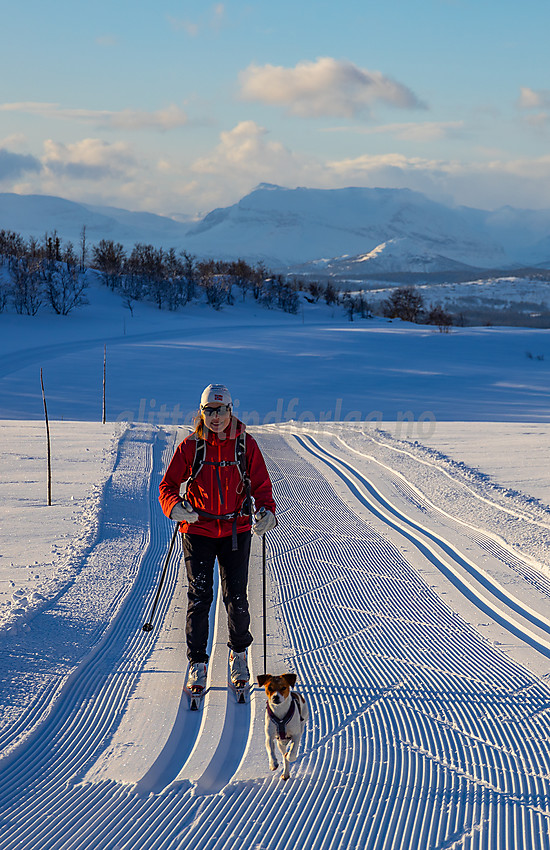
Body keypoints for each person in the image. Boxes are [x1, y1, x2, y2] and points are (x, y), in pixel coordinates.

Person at [159, 383, 277, 693]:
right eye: (209, 410)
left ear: (230, 411)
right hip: (197, 530)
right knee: (200, 599)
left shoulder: (245, 445)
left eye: (221, 410)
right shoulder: (191, 446)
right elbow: (168, 486)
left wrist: (265, 512)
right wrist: (175, 508)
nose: (215, 417)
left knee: (236, 598)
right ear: (201, 412)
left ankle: (239, 656)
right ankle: (197, 663)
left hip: (235, 531)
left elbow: (262, 487)